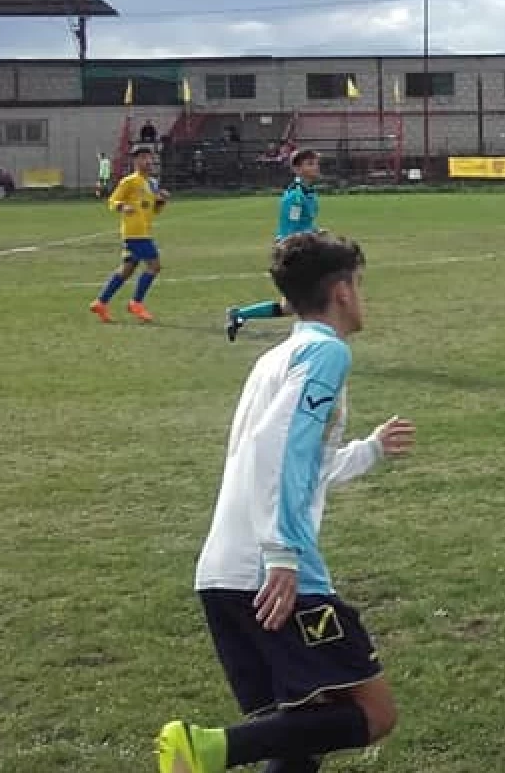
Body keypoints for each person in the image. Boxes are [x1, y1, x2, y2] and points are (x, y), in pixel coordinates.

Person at [156, 231, 415, 773]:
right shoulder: (326, 352)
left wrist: (367, 451)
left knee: (300, 733)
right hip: (269, 574)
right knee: (372, 713)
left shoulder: (279, 357)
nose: (362, 297)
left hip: (223, 571)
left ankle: (211, 750)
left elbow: (296, 460)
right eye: (359, 285)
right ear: (342, 292)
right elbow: (281, 449)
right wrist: (282, 553)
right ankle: (208, 749)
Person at [227, 149, 322, 341]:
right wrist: (311, 237)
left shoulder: (307, 192)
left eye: (315, 163)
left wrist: (315, 232)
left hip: (302, 249)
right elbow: (291, 230)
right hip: (292, 253)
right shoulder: (296, 197)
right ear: (297, 169)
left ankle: (239, 314)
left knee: (289, 307)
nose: (315, 167)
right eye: (309, 163)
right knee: (318, 296)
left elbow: (303, 224)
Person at [89, 145, 167, 324]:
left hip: (144, 231)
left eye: (149, 157)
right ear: (135, 161)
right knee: (154, 266)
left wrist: (161, 201)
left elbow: (153, 211)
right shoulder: (129, 181)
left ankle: (100, 303)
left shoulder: (153, 183)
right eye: (142, 158)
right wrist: (123, 206)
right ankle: (136, 303)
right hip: (135, 233)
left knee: (127, 270)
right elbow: (113, 200)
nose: (147, 161)